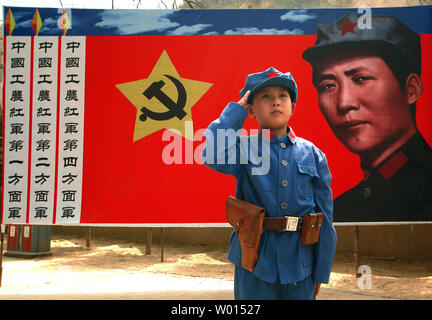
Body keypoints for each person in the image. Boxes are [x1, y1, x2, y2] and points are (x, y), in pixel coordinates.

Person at [201, 67, 337, 300]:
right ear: (252, 109)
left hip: (300, 265)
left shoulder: (313, 154)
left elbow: (324, 219)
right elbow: (211, 155)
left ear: (293, 107)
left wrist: (320, 271)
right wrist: (237, 110)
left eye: (283, 96)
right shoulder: (244, 149)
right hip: (254, 261)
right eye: (265, 96)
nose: (276, 102)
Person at [302, 13, 432, 222]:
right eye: (327, 86)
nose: (344, 103)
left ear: (411, 89)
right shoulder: (342, 208)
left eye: (361, 79)